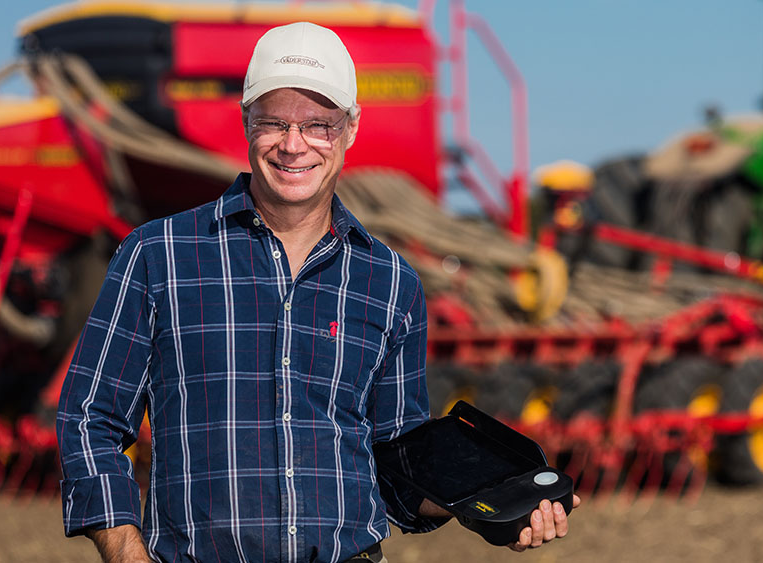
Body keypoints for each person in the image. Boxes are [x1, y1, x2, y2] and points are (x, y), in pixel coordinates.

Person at [57, 21, 578, 563]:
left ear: (350, 129)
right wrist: (126, 553)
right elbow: (89, 420)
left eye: (318, 125)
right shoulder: (157, 255)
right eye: (274, 122)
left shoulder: (391, 283)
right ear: (245, 123)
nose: (293, 144)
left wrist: (495, 504)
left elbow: (400, 470)